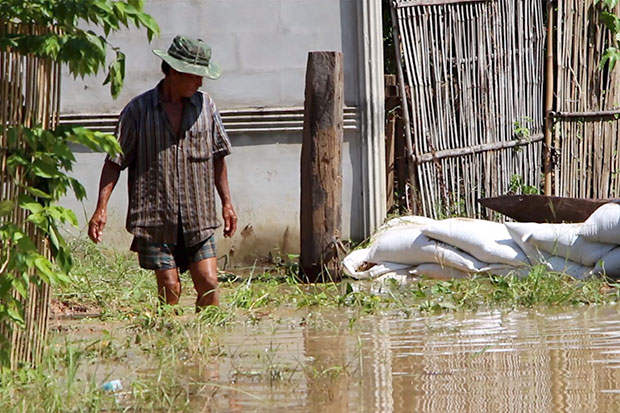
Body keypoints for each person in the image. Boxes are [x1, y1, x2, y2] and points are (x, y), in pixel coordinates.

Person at [88, 35, 237, 310]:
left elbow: (218, 156)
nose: (200, 82)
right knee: (170, 289)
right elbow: (114, 160)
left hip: (199, 215)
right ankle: (165, 341)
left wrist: (227, 202)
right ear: (175, 72)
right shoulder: (138, 110)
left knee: (208, 283)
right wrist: (101, 208)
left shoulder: (206, 107)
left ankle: (210, 346)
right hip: (156, 216)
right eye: (195, 76)